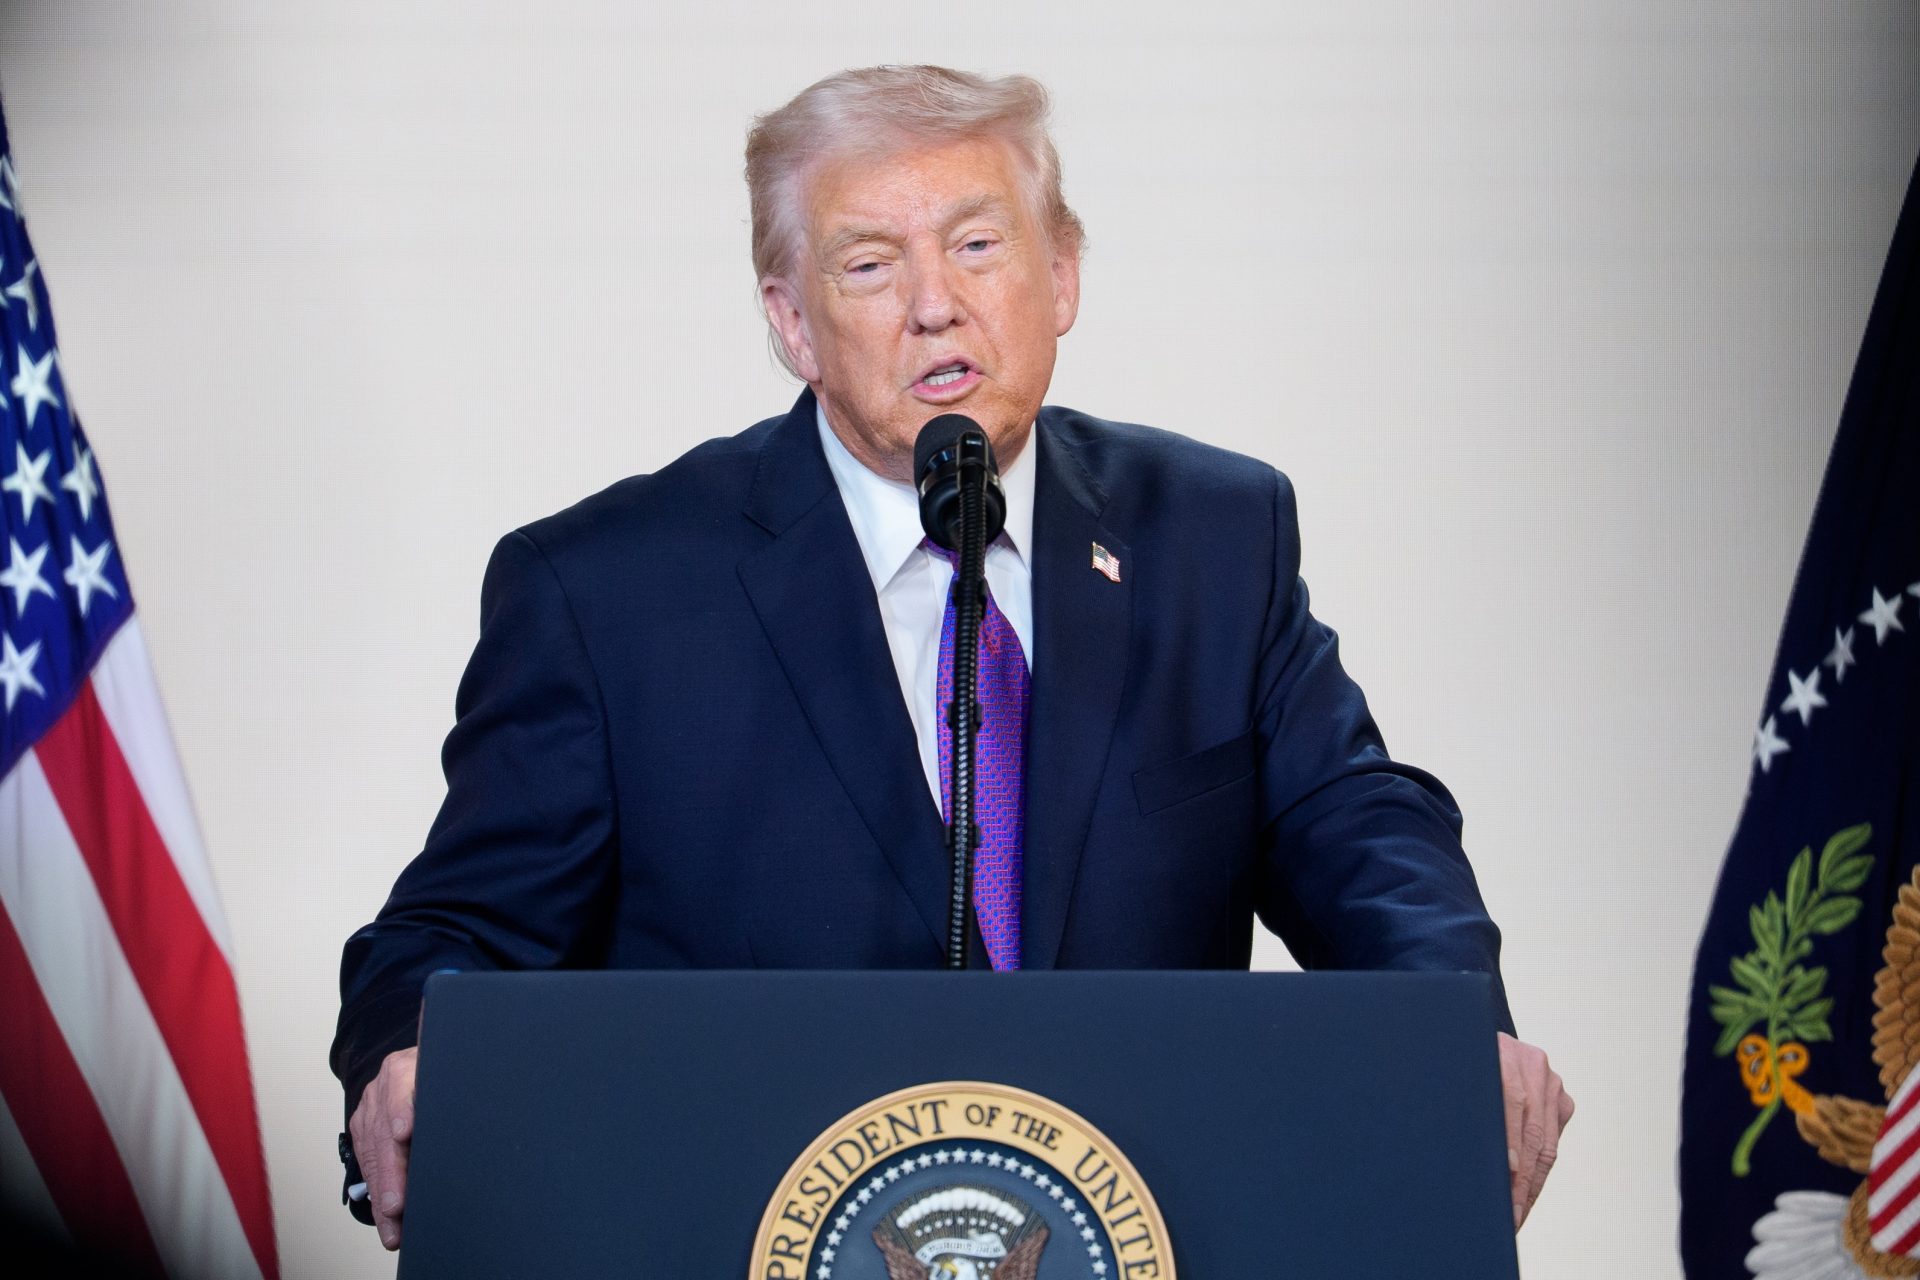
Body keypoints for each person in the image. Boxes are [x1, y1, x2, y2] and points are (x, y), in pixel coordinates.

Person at [332, 64, 1573, 1252]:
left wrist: (1450, 1018)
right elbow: (451, 930)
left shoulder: (1211, 533)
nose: (936, 303)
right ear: (792, 322)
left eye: (979, 246)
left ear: (1064, 273)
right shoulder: (608, 591)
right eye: (870, 263)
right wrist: (412, 1051)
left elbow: (1358, 825)